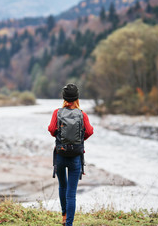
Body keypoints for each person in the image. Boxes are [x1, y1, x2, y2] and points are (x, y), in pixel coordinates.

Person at [48, 83, 94, 226]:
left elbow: (51, 129)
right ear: (77, 98)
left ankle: (63, 215)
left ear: (64, 98)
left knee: (62, 186)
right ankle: (69, 224)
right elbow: (90, 131)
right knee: (71, 193)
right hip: (75, 157)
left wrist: (60, 136)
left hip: (61, 156)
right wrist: (79, 140)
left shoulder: (57, 112)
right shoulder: (82, 114)